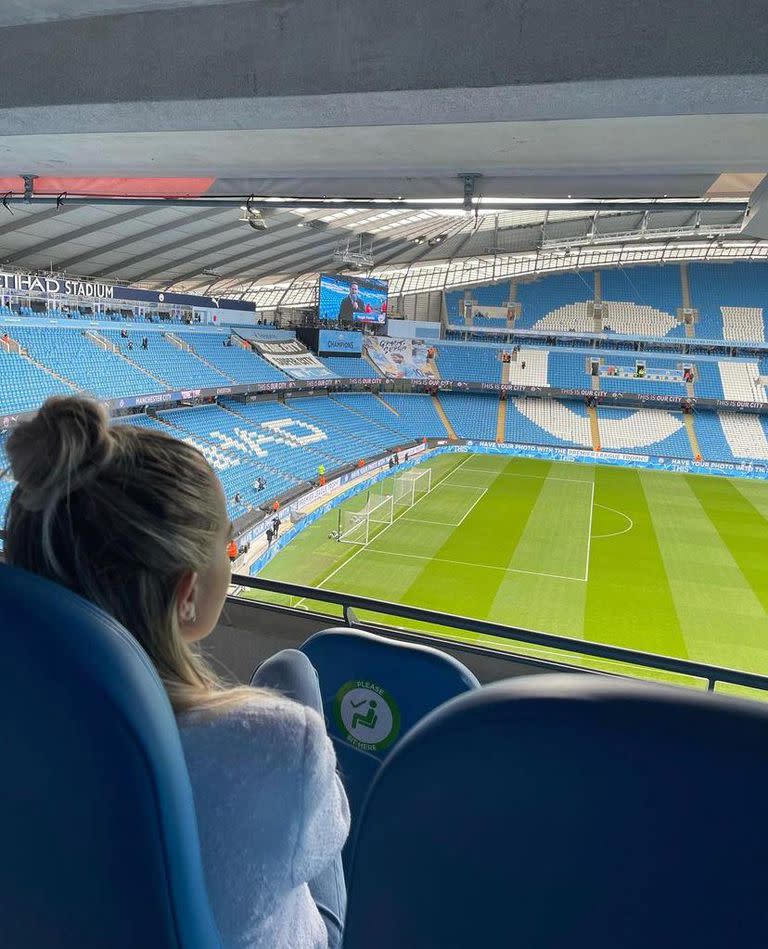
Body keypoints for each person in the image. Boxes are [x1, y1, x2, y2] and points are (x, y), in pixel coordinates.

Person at [3, 397, 349, 949]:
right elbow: (328, 840)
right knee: (294, 671)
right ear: (187, 594)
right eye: (224, 546)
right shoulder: (282, 744)